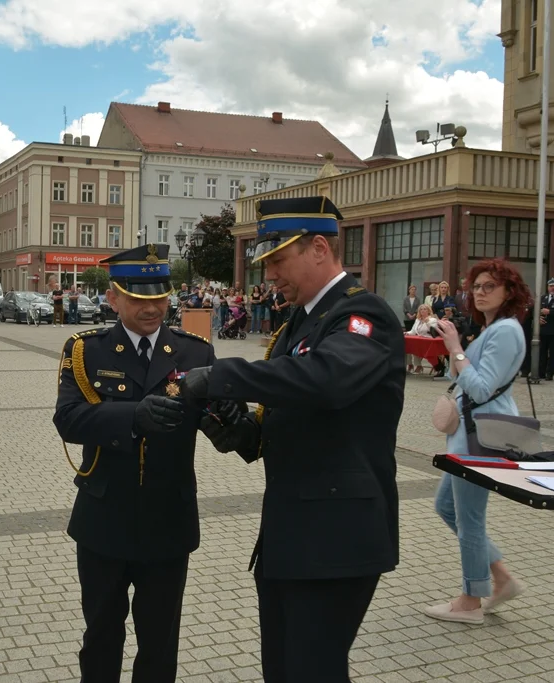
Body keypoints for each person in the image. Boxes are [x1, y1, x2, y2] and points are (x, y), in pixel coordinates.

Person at [178, 196, 405, 683]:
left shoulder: (363, 315)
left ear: (319, 248)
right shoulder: (297, 324)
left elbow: (327, 381)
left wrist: (221, 375)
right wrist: (235, 429)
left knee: (312, 670)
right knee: (282, 669)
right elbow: (282, 421)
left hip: (336, 538)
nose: (269, 275)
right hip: (291, 533)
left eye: (278, 260)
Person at [53, 243, 225, 683]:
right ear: (113, 298)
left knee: (160, 643)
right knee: (102, 635)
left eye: (159, 298)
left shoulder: (194, 352)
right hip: (103, 520)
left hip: (168, 520)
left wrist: (235, 426)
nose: (153, 308)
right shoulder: (85, 350)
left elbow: (215, 416)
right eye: (139, 299)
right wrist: (133, 417)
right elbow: (68, 419)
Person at [427, 258, 530, 624]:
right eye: (477, 286)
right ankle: (501, 579)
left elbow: (482, 388)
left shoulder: (506, 331)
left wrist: (455, 347)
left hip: (480, 435)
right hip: (469, 434)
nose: (481, 292)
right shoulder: (493, 329)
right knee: (448, 508)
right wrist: (458, 348)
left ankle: (471, 600)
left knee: (469, 519)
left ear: (509, 292)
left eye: (490, 286)